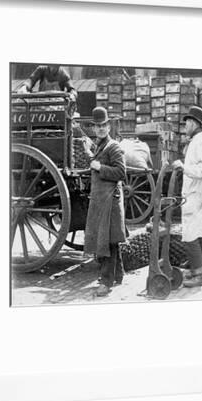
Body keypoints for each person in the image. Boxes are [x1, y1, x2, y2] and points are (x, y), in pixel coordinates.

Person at [172, 106, 202, 288]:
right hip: (198, 194)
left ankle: (199, 275)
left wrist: (184, 167)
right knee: (200, 232)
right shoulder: (198, 141)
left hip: (198, 195)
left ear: (193, 123)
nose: (185, 126)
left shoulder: (200, 142)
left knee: (191, 233)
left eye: (187, 123)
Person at [83, 107, 126, 297]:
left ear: (109, 126)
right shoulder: (99, 145)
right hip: (101, 199)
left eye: (103, 125)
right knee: (111, 239)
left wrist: (100, 166)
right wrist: (89, 153)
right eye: (97, 125)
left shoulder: (114, 147)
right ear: (94, 128)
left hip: (110, 200)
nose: (100, 128)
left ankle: (106, 282)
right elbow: (95, 160)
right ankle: (118, 275)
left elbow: (121, 172)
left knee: (107, 241)